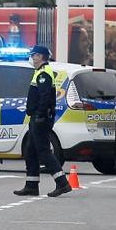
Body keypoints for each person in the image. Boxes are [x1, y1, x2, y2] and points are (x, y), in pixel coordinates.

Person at [13, 45, 72, 198]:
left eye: (34, 55)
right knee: (30, 151)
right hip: (37, 117)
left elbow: (45, 96)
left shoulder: (44, 73)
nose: (32, 58)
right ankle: (31, 185)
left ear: (41, 56)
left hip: (41, 118)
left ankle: (62, 183)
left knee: (44, 151)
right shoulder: (39, 72)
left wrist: (40, 114)